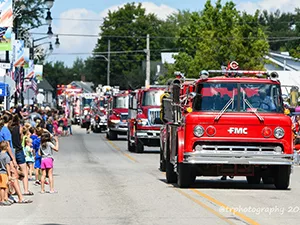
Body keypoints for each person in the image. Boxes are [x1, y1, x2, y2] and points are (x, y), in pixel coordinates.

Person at [10, 114, 33, 196]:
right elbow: (21, 137)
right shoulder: (19, 128)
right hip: (19, 150)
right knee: (24, 170)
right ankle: (26, 190)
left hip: (11, 151)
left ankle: (13, 190)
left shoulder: (9, 129)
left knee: (12, 171)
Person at [0, 141, 12, 206]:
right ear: (7, 147)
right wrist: (9, 175)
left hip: (0, 172)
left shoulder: (0, 155)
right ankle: (2, 200)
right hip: (4, 173)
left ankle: (5, 198)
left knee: (3, 186)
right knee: (3, 187)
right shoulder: (6, 156)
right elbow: (7, 166)